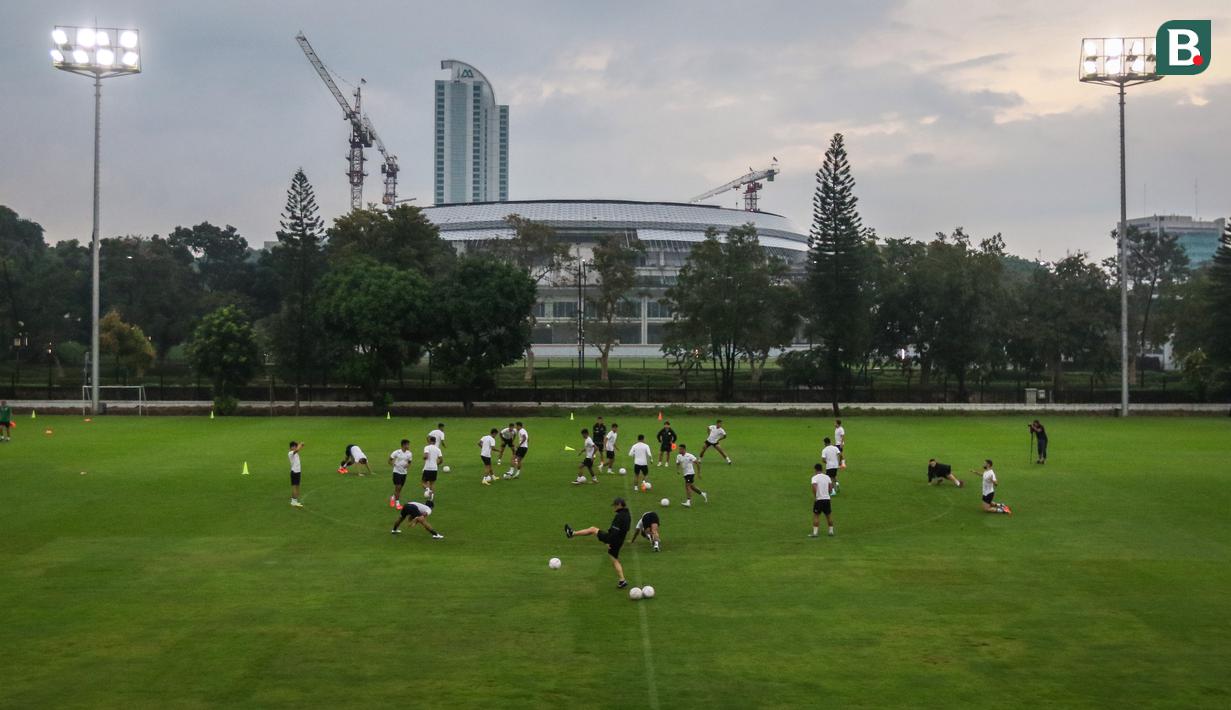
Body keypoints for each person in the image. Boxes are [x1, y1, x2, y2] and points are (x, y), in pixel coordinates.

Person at [564, 497, 631, 589]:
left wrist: (608, 542)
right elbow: (626, 529)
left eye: (615, 505)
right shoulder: (628, 515)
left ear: (619, 505)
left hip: (613, 538)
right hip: (620, 540)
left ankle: (572, 533)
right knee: (615, 559)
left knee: (593, 529)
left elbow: (614, 531)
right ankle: (622, 580)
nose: (614, 508)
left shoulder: (619, 516)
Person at [675, 443, 708, 507]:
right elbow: (678, 463)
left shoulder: (690, 456)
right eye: (679, 449)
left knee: (687, 486)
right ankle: (703, 494)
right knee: (692, 487)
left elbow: (697, 464)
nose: (679, 450)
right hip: (685, 474)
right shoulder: (678, 456)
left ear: (684, 449)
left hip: (690, 473)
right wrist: (678, 470)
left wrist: (699, 473)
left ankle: (688, 502)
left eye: (680, 449)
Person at [810, 463, 834, 537]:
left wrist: (816, 496)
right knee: (828, 515)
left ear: (815, 469)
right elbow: (830, 488)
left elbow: (814, 487)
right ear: (822, 469)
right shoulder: (827, 477)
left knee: (816, 516)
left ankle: (815, 533)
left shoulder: (815, 478)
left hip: (819, 499)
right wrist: (828, 494)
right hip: (827, 499)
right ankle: (831, 531)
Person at [388, 439, 414, 509]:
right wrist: (393, 464)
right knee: (398, 487)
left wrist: (407, 466)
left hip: (404, 473)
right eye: (407, 444)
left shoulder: (409, 453)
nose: (408, 446)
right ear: (403, 445)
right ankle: (398, 504)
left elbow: (409, 462)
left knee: (399, 489)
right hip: (396, 472)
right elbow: (389, 460)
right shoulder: (396, 452)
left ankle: (393, 497)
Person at [288, 441, 305, 508]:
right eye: (295, 446)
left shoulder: (295, 453)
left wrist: (300, 445)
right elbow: (297, 450)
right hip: (294, 472)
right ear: (292, 447)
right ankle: (294, 502)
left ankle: (294, 500)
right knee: (294, 487)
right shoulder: (290, 453)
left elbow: (297, 449)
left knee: (297, 487)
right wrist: (300, 445)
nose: (296, 447)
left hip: (297, 472)